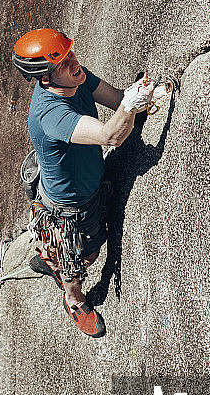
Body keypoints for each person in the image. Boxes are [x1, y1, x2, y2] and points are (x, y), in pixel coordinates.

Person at [12, 28, 171, 338]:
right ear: (46, 78)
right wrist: (130, 106)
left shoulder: (75, 77)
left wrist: (145, 97)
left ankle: (50, 256)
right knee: (86, 256)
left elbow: (118, 102)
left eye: (71, 52)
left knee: (87, 247)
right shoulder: (52, 114)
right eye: (63, 61)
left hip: (89, 185)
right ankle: (72, 296)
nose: (75, 62)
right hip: (71, 206)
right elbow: (111, 134)